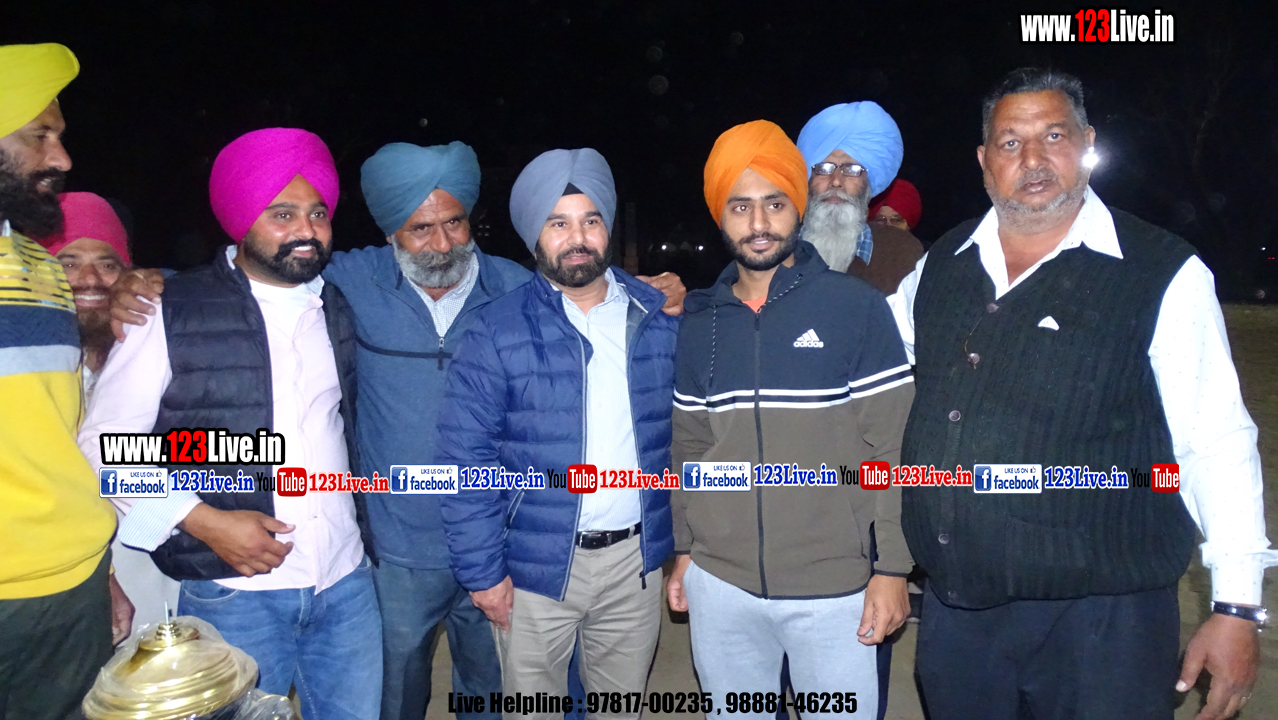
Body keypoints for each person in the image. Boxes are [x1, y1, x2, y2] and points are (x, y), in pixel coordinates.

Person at [109, 140, 686, 720]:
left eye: (454, 223)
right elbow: (256, 278)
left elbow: (588, 287)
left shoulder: (515, 287)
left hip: (502, 538)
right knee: (394, 695)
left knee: (495, 688)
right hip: (396, 552)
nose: (442, 244)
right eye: (419, 228)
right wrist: (147, 282)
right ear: (389, 233)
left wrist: (659, 289)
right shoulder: (347, 282)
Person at [890, 67, 1275, 720]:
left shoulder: (1161, 271)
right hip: (960, 615)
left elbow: (1215, 440)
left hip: (1106, 625)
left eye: (1054, 135)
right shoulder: (940, 264)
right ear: (984, 161)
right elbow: (868, 362)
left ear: (1087, 144)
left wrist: (1237, 607)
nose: (1033, 158)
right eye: (1010, 142)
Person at [78, 128, 382, 719]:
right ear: (241, 219)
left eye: (318, 213)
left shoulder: (336, 306)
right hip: (234, 593)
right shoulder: (169, 310)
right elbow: (101, 448)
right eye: (282, 213)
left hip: (346, 583)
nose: (306, 229)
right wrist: (204, 522)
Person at [666, 119, 915, 719]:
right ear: (720, 216)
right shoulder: (701, 322)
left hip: (833, 588)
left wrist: (891, 568)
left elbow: (892, 447)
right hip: (720, 587)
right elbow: (690, 447)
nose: (759, 223)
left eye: (775, 204)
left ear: (797, 209)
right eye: (741, 206)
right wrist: (686, 550)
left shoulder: (855, 307)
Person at [437, 148, 677, 720]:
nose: (578, 238)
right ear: (535, 236)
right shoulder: (495, 330)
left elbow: (686, 440)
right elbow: (463, 461)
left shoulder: (658, 320)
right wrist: (483, 574)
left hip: (635, 564)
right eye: (558, 223)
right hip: (532, 568)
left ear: (608, 227)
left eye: (591, 220)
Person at [0, 42, 122, 719]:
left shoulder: (42, 271)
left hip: (72, 587)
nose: (62, 158)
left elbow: (59, 441)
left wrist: (102, 574)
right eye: (39, 135)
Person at [43, 191, 182, 637]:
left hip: (160, 562)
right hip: (58, 573)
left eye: (107, 264)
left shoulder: (151, 348)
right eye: (68, 262)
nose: (89, 279)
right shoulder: (25, 366)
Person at [797, 101, 923, 296]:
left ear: (867, 183)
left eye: (852, 169)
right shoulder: (778, 250)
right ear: (808, 178)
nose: (836, 181)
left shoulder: (902, 252)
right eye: (824, 168)